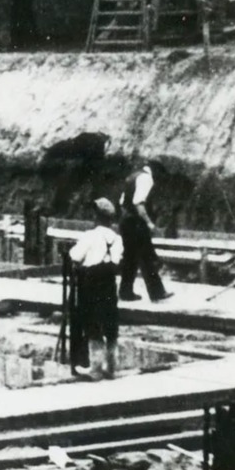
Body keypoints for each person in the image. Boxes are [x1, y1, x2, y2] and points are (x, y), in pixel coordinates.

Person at [68, 198, 123, 381]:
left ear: (97, 217)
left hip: (91, 282)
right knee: (110, 323)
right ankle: (112, 367)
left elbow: (75, 255)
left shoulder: (89, 236)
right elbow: (116, 261)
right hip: (108, 282)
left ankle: (96, 368)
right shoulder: (117, 239)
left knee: (92, 324)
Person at [118, 160, 172, 302]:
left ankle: (125, 292)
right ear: (156, 171)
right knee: (147, 257)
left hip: (126, 221)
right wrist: (149, 223)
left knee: (130, 258)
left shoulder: (132, 177)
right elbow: (139, 203)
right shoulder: (146, 178)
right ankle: (157, 293)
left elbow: (122, 202)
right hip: (136, 223)